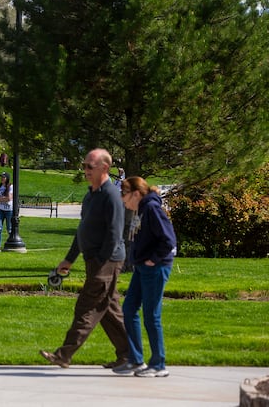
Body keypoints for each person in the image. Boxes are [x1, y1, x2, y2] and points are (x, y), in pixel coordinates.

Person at [39, 148, 130, 369]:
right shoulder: (91, 196)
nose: (86, 170)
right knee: (109, 310)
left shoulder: (111, 197)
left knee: (86, 307)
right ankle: (129, 355)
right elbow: (83, 231)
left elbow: (114, 234)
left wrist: (100, 261)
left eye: (90, 166)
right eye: (84, 166)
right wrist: (69, 259)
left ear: (104, 168)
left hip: (107, 261)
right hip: (95, 260)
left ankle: (64, 354)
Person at [115, 176, 177, 378]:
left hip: (155, 268)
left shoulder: (151, 208)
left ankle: (158, 364)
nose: (123, 199)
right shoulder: (142, 209)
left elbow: (169, 240)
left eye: (124, 194)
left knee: (152, 315)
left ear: (136, 193)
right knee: (129, 307)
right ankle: (136, 360)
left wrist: (154, 259)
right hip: (142, 267)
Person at [0, 172, 13, 252]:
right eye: (1, 177)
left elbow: (9, 198)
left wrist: (1, 199)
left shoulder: (11, 186)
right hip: (0, 209)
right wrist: (3, 199)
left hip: (9, 210)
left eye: (3, 177)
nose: (2, 178)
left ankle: (11, 244)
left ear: (7, 178)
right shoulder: (0, 187)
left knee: (9, 228)